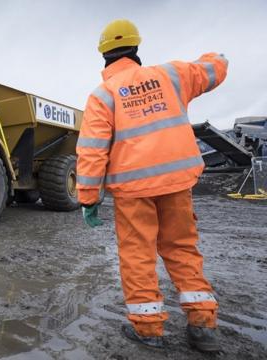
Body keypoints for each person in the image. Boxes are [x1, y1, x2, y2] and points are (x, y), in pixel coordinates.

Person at [76, 19, 228, 351]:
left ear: (103, 54)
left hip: (132, 191)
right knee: (182, 249)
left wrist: (88, 199)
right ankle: (203, 326)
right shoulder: (171, 75)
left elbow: (91, 150)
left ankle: (148, 329)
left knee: (137, 255)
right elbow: (215, 67)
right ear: (136, 47)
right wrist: (218, 53)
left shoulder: (103, 95)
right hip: (176, 184)